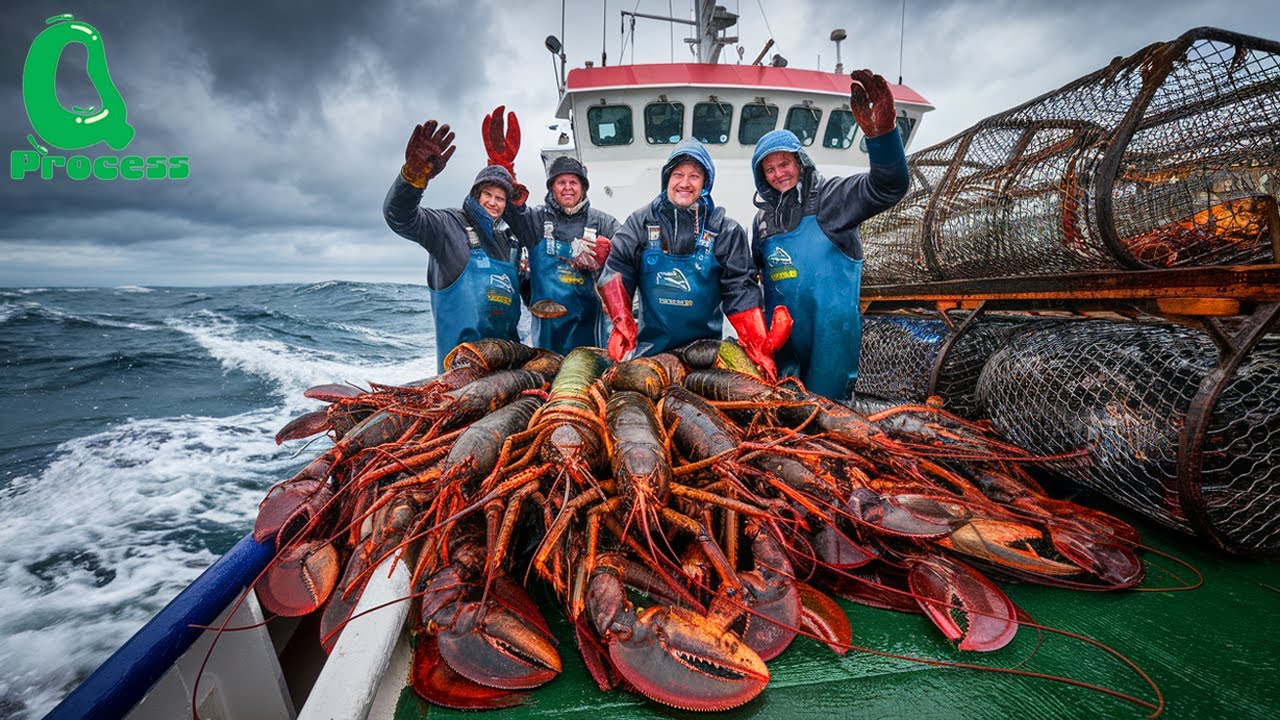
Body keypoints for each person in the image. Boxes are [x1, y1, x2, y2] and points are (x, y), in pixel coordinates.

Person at [749, 69, 910, 399]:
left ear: (800, 162)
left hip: (832, 345)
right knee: (784, 413)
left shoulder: (833, 197)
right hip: (783, 352)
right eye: (770, 168)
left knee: (828, 415)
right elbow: (749, 278)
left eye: (785, 164)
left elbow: (888, 187)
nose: (779, 173)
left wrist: (882, 138)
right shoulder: (762, 221)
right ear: (762, 175)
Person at [598, 139, 788, 376]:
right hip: (650, 354)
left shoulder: (726, 231)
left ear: (705, 183)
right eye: (678, 175)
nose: (685, 183)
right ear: (667, 178)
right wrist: (621, 321)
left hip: (705, 358)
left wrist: (757, 342)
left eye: (694, 176)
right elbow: (618, 266)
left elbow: (740, 290)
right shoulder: (641, 222)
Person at [383, 118, 525, 373]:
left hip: (508, 376)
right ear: (475, 195)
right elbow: (400, 217)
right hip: (457, 381)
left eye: (501, 198)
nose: (493, 203)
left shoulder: (510, 243)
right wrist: (412, 178)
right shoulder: (447, 227)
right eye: (487, 195)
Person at [487, 109, 621, 354]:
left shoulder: (605, 223)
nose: (568, 188)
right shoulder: (535, 220)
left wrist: (606, 261)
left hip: (592, 337)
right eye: (561, 182)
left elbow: (629, 257)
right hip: (545, 340)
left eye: (574, 182)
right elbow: (509, 212)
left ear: (583, 188)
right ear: (552, 187)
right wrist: (502, 167)